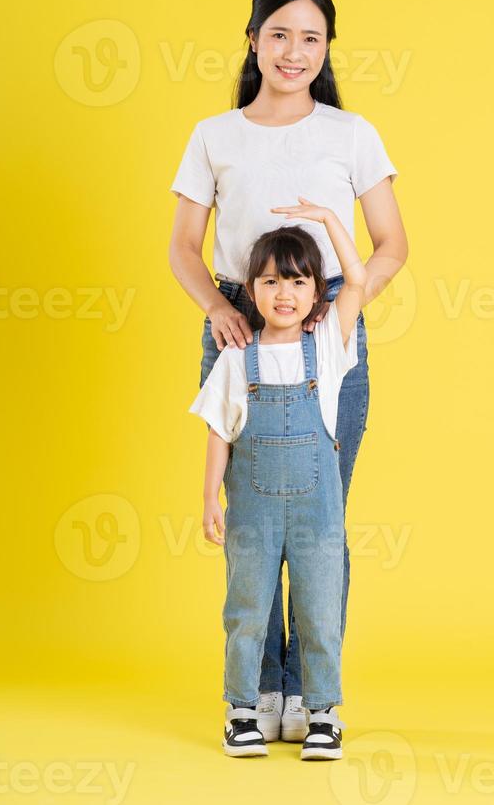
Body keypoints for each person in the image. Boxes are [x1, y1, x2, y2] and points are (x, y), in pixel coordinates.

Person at [169, 0, 408, 743]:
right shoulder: (215, 134)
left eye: (311, 37)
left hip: (331, 315)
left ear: (327, 47)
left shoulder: (350, 132)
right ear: (253, 40)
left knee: (318, 520)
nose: (294, 51)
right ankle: (256, 694)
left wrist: (347, 299)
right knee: (253, 519)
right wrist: (216, 309)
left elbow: (392, 244)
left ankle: (311, 692)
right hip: (241, 316)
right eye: (279, 33)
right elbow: (182, 245)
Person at [189, 205, 365, 759]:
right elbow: (220, 428)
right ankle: (243, 709)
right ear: (251, 290)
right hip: (252, 509)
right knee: (246, 607)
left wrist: (329, 218)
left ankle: (322, 713)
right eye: (270, 280)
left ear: (317, 293)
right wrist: (208, 495)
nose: (283, 292)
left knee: (318, 608)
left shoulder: (332, 349)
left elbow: (359, 279)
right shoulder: (237, 358)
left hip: (318, 509)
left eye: (297, 280)